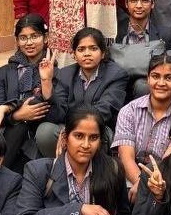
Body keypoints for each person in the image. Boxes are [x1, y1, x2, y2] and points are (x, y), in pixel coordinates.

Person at [40, 27, 129, 156]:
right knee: (45, 131)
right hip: (70, 129)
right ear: (74, 55)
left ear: (103, 53)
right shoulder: (65, 74)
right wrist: (46, 81)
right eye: (81, 49)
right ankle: (61, 165)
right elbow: (57, 115)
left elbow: (105, 110)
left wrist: (72, 130)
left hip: (98, 131)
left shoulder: (116, 74)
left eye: (93, 48)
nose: (87, 53)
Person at [112, 52, 171, 204]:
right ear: (147, 78)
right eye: (155, 76)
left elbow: (167, 162)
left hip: (165, 181)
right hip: (129, 180)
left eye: (169, 78)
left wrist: (146, 186)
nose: (161, 83)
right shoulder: (129, 110)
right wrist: (140, 183)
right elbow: (126, 157)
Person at [0, 15, 52, 173]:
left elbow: (45, 107)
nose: (29, 43)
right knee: (18, 128)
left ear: (45, 38)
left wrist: (7, 108)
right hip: (7, 137)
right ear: (17, 41)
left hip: (36, 138)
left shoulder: (53, 71)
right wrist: (16, 116)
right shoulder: (3, 73)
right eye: (23, 38)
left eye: (34, 36)